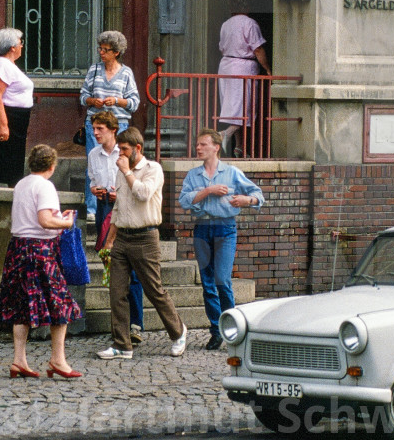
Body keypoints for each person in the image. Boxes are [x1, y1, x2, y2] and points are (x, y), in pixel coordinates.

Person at [97, 128, 188, 360]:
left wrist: (127, 172)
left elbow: (144, 194)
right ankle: (122, 344)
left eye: (125, 149)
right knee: (117, 291)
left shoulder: (152, 169)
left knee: (154, 289)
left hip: (146, 237)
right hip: (122, 238)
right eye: (119, 149)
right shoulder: (121, 170)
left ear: (138, 148)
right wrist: (109, 240)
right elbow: (117, 208)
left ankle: (178, 332)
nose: (121, 154)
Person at [0, 144, 83, 379]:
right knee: (59, 301)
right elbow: (44, 220)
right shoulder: (45, 186)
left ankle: (19, 360)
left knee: (21, 305)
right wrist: (66, 222)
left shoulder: (22, 184)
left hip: (18, 247)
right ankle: (58, 360)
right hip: (40, 250)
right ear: (52, 166)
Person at [177, 128, 265, 350]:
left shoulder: (232, 172)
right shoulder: (193, 175)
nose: (198, 148)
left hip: (225, 229)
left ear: (216, 147)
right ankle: (216, 331)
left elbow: (258, 195)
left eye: (203, 144)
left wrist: (247, 200)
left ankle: (233, 330)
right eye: (197, 145)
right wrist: (208, 191)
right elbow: (184, 201)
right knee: (207, 284)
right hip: (202, 229)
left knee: (222, 281)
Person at [87, 110, 145, 345]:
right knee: (110, 262)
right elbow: (92, 180)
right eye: (94, 129)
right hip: (104, 208)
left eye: (100, 129)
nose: (95, 133)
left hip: (123, 208)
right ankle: (120, 322)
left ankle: (136, 323)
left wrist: (115, 192)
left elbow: (133, 182)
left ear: (113, 130)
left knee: (131, 268)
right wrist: (95, 190)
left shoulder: (124, 153)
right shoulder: (93, 154)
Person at [80, 30, 140, 221]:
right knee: (94, 163)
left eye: (106, 50)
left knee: (118, 162)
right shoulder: (94, 69)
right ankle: (92, 207)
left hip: (119, 125)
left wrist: (117, 101)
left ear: (116, 52)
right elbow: (82, 96)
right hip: (95, 124)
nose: (101, 53)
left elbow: (134, 102)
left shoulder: (126, 73)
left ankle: (119, 200)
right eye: (100, 48)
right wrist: (92, 101)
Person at [217, 0, 270, 157]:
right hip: (243, 68)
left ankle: (239, 147)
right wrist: (267, 69)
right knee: (245, 107)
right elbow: (258, 49)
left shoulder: (226, 24)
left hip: (226, 66)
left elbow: (222, 47)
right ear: (247, 5)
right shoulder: (250, 24)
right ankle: (226, 134)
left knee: (235, 108)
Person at [0, 27, 34, 187]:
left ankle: (11, 200)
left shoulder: (8, 65)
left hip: (15, 119)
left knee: (11, 165)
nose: (22, 46)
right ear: (12, 47)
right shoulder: (1, 65)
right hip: (6, 117)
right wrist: (3, 126)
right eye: (20, 42)